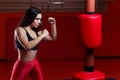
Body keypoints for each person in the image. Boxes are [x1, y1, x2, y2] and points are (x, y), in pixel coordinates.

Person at [10, 7, 57, 80]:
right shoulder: (20, 30)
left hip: (34, 63)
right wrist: (42, 35)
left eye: (40, 19)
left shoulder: (36, 31)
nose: (40, 22)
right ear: (29, 18)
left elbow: (53, 38)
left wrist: (53, 24)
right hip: (22, 65)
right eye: (37, 19)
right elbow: (27, 46)